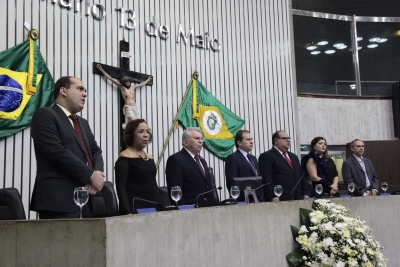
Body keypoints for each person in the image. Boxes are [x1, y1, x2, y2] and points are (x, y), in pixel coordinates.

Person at [30, 76, 105, 219]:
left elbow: (95, 151)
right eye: (80, 89)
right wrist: (90, 174)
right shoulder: (45, 115)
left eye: (85, 91)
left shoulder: (82, 123)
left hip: (86, 197)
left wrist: (97, 173)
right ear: (63, 91)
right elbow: (55, 151)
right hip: (58, 200)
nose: (85, 94)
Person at [114, 119, 164, 214]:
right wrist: (127, 212)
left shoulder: (149, 157)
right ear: (131, 135)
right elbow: (121, 188)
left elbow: (153, 183)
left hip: (153, 206)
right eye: (141, 131)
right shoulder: (125, 158)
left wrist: (161, 206)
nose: (146, 135)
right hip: (134, 207)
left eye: (147, 131)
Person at [165, 127, 219, 207]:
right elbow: (176, 190)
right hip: (190, 209)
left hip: (208, 208)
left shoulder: (202, 161)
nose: (200, 141)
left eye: (201, 139)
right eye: (196, 138)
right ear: (185, 142)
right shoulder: (176, 159)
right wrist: (182, 210)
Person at [96, 64, 152, 129]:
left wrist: (148, 80)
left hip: (135, 107)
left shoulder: (133, 87)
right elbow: (111, 79)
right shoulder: (122, 87)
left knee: (134, 123)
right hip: (128, 107)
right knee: (134, 122)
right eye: (126, 82)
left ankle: (130, 133)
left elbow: (141, 84)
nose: (128, 82)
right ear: (124, 82)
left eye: (128, 81)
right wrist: (101, 70)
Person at [258, 130, 309, 201]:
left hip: (298, 197)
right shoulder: (267, 156)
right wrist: (273, 196)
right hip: (280, 197)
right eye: (285, 138)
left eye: (288, 138)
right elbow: (267, 179)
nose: (288, 140)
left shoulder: (294, 157)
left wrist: (305, 193)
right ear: (276, 141)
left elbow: (301, 176)